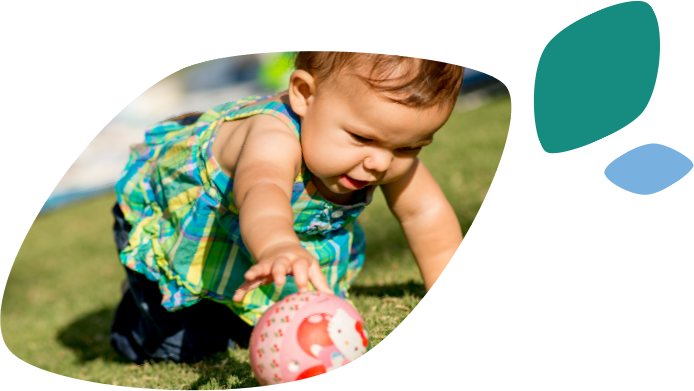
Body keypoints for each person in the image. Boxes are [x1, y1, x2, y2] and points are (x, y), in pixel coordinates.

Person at [110, 52, 465, 364]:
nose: (381, 162)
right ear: (305, 95)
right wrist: (278, 245)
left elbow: (425, 215)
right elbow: (261, 192)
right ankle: (136, 313)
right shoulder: (273, 137)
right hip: (185, 218)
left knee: (261, 326)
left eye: (409, 148)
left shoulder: (385, 143)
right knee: (187, 347)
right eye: (363, 138)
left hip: (262, 234)